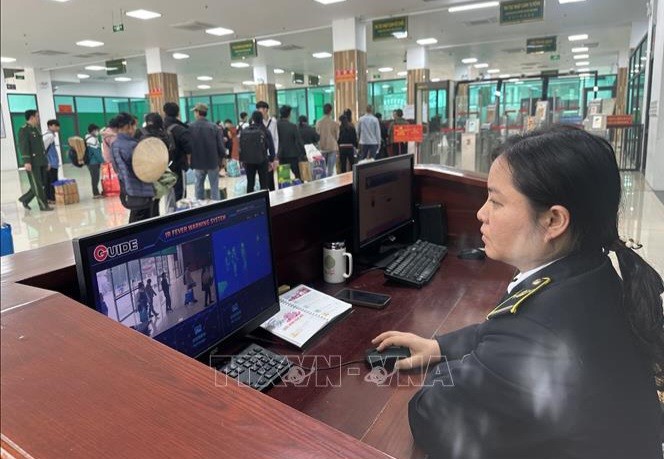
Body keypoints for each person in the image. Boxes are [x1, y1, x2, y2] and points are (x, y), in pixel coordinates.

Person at [372, 126, 664, 459]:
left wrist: (459, 368)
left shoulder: (534, 336)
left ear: (554, 221)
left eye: (496, 201)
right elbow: (506, 331)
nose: (481, 213)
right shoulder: (590, 273)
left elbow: (431, 415)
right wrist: (440, 346)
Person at [111, 112, 155, 223]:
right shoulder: (131, 145)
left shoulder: (115, 144)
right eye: (134, 125)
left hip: (127, 188)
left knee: (136, 218)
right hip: (141, 190)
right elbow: (145, 167)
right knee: (142, 222)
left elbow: (116, 168)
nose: (135, 128)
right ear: (128, 127)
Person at [189, 103, 226, 201]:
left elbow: (188, 145)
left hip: (197, 162)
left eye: (195, 112)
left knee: (198, 185)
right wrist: (223, 158)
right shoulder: (214, 127)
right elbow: (220, 146)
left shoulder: (191, 127)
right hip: (212, 162)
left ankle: (199, 206)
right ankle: (216, 207)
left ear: (197, 112)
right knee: (214, 186)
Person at [18, 110, 52, 211]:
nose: (38, 118)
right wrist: (26, 161)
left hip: (41, 160)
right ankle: (43, 205)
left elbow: (41, 147)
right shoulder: (24, 130)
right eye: (37, 116)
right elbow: (23, 146)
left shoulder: (36, 129)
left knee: (40, 183)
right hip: (32, 162)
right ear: (32, 117)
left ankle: (25, 199)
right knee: (37, 184)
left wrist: (46, 161)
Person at [163, 102, 193, 202]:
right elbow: (189, 147)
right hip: (178, 164)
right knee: (180, 192)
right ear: (178, 113)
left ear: (164, 112)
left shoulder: (160, 127)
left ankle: (170, 212)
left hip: (164, 166)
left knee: (168, 191)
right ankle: (180, 213)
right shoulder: (180, 129)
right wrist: (188, 161)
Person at [240, 110, 275, 193]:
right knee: (263, 184)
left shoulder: (245, 130)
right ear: (261, 118)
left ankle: (250, 203)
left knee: (250, 183)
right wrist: (271, 160)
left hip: (248, 161)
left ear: (252, 119)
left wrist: (242, 160)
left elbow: (241, 146)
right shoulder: (265, 130)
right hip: (262, 160)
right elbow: (271, 147)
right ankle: (264, 202)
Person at [277, 105, 306, 180]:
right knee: (298, 176)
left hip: (281, 155)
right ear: (289, 114)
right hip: (293, 155)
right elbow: (299, 141)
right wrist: (304, 153)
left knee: (283, 179)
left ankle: (284, 191)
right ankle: (299, 190)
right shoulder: (292, 126)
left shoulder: (276, 125)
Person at [256, 101, 279, 191]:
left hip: (271, 153)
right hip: (260, 153)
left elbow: (276, 138)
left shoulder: (273, 121)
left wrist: (276, 154)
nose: (258, 111)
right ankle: (264, 194)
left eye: (259, 109)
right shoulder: (256, 122)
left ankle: (272, 194)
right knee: (262, 176)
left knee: (270, 176)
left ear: (265, 109)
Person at [316, 104, 340, 178]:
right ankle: (330, 184)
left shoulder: (318, 122)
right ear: (331, 111)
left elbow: (317, 134)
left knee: (322, 168)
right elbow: (337, 137)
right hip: (332, 146)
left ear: (323, 111)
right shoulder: (335, 123)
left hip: (322, 146)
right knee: (330, 169)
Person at [42, 119, 60, 204]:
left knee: (49, 181)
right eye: (56, 126)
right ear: (50, 126)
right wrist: (47, 162)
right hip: (51, 163)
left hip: (52, 162)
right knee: (53, 181)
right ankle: (52, 198)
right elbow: (43, 149)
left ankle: (48, 198)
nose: (58, 128)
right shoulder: (49, 136)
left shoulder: (49, 135)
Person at [85, 124, 104, 199]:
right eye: (96, 130)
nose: (97, 132)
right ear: (92, 131)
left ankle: (96, 193)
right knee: (95, 178)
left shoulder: (89, 138)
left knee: (95, 178)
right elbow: (96, 152)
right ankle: (96, 194)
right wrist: (102, 161)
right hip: (93, 162)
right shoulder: (91, 140)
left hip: (92, 162)